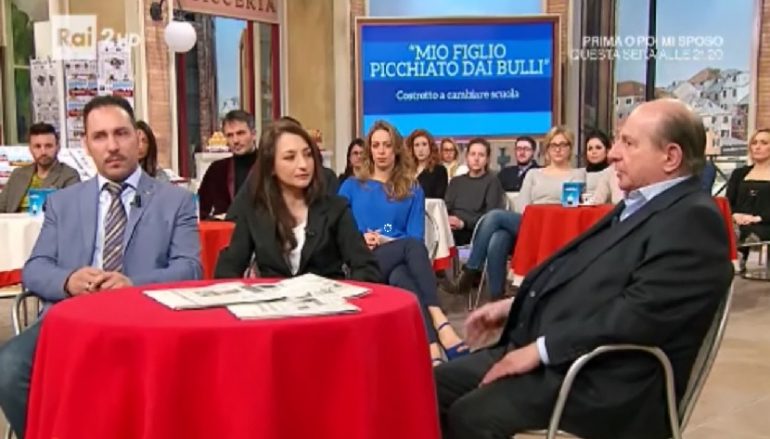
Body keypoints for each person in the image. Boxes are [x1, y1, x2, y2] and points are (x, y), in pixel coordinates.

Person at [435, 99, 733, 439]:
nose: (613, 154)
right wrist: (515, 306)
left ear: (671, 157)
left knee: (471, 415)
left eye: (628, 143)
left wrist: (541, 350)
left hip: (604, 380)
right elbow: (585, 275)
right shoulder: (640, 205)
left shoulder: (693, 219)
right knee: (431, 386)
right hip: (566, 354)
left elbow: (637, 315)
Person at [0, 95, 202, 439]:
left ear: (138, 139)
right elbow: (35, 269)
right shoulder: (62, 202)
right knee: (8, 368)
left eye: (121, 133)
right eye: (100, 136)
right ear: (86, 146)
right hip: (68, 320)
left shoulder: (175, 200)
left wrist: (133, 284)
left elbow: (191, 269)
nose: (112, 146)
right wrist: (68, 280)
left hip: (145, 321)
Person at [338, 120, 468, 365]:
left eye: (387, 145)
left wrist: (384, 235)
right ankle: (440, 320)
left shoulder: (412, 189)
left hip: (398, 257)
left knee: (403, 275)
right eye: (376, 145)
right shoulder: (352, 186)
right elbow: (339, 228)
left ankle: (432, 350)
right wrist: (361, 236)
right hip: (362, 261)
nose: (381, 151)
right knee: (410, 250)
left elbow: (413, 235)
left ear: (396, 149)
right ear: (369, 150)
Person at [215, 120, 380, 281]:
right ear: (271, 166)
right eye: (290, 157)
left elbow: (366, 268)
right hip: (275, 298)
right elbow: (228, 268)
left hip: (328, 297)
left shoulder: (336, 208)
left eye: (308, 155)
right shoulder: (254, 211)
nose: (303, 164)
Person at [452, 127, 584, 299]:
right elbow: (523, 207)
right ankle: (496, 297)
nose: (558, 149)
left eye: (563, 145)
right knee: (499, 237)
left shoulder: (578, 174)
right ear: (547, 149)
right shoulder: (534, 174)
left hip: (558, 226)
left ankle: (471, 269)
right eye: (553, 145)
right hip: (532, 223)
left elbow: (575, 205)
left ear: (570, 148)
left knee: (495, 217)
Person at [0, 122, 80, 213]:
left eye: (48, 146)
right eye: (37, 146)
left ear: (58, 147)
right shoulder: (17, 175)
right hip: (13, 222)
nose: (43, 152)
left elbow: (71, 212)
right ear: (30, 149)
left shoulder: (69, 176)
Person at [197, 110, 258, 219]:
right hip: (225, 228)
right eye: (230, 135)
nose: (235, 140)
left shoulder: (269, 167)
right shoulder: (216, 170)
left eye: (240, 133)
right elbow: (200, 210)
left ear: (253, 134)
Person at [445, 137, 505, 246]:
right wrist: (447, 220)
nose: (476, 159)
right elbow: (446, 208)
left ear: (487, 159)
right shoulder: (456, 181)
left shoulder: (492, 181)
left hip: (476, 231)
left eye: (481, 155)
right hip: (450, 229)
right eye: (473, 154)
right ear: (467, 157)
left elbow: (491, 217)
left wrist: (463, 224)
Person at [726, 128, 770, 272]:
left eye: (764, 143)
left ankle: (741, 251)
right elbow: (728, 202)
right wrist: (734, 215)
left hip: (765, 222)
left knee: (753, 231)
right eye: (754, 143)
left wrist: (758, 218)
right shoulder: (739, 173)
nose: (757, 147)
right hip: (739, 222)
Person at [407, 129, 448, 198]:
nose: (420, 149)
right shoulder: (405, 170)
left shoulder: (439, 171)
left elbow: (439, 199)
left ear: (430, 147)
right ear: (412, 148)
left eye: (424, 144)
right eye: (416, 145)